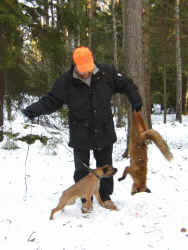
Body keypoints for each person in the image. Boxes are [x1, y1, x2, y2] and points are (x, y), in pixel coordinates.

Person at [22, 46, 142, 212]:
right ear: (76, 65)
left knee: (105, 165)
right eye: (83, 69)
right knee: (82, 169)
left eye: (89, 68)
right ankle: (86, 199)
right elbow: (51, 100)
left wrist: (135, 98)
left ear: (92, 61)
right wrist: (33, 110)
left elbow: (126, 84)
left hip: (103, 129)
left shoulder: (106, 72)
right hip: (80, 132)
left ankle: (105, 197)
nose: (86, 72)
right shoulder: (66, 81)